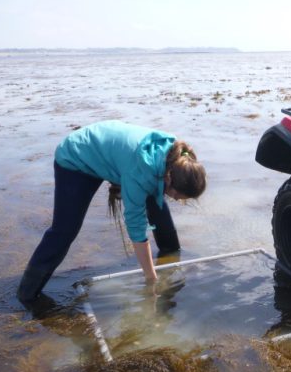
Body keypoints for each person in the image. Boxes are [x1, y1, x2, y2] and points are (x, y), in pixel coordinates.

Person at [16, 119, 206, 306]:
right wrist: (151, 280)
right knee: (65, 230)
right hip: (76, 157)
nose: (178, 201)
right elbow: (136, 230)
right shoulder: (141, 173)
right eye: (178, 197)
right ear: (169, 178)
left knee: (159, 210)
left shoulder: (177, 158)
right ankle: (27, 294)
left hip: (111, 152)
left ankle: (172, 259)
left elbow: (150, 184)